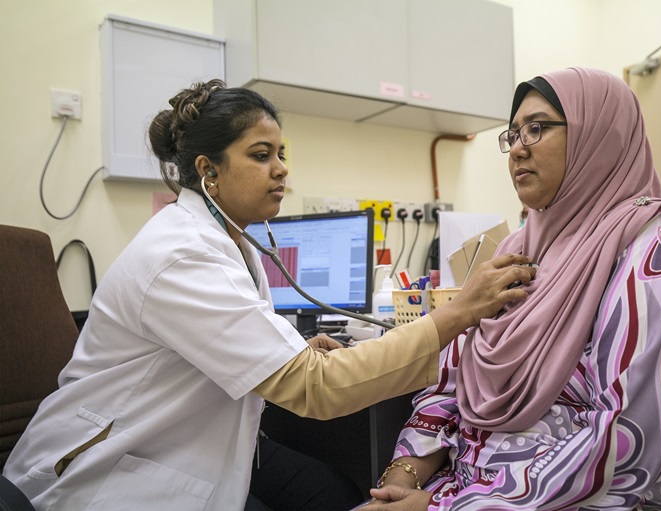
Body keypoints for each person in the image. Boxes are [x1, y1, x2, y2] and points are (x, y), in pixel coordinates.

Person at [1, 80, 538, 511]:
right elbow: (316, 389)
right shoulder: (182, 254)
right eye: (261, 155)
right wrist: (460, 311)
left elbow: (243, 340)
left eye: (281, 153)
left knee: (336, 492)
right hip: (104, 469)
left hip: (193, 442)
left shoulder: (235, 242)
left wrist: (294, 348)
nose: (281, 168)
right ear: (208, 171)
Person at [363, 67, 661, 510]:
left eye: (537, 128)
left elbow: (627, 445)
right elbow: (453, 380)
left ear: (599, 137)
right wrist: (404, 477)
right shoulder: (519, 249)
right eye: (513, 134)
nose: (517, 149)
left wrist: (441, 508)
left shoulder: (659, 264)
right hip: (469, 490)